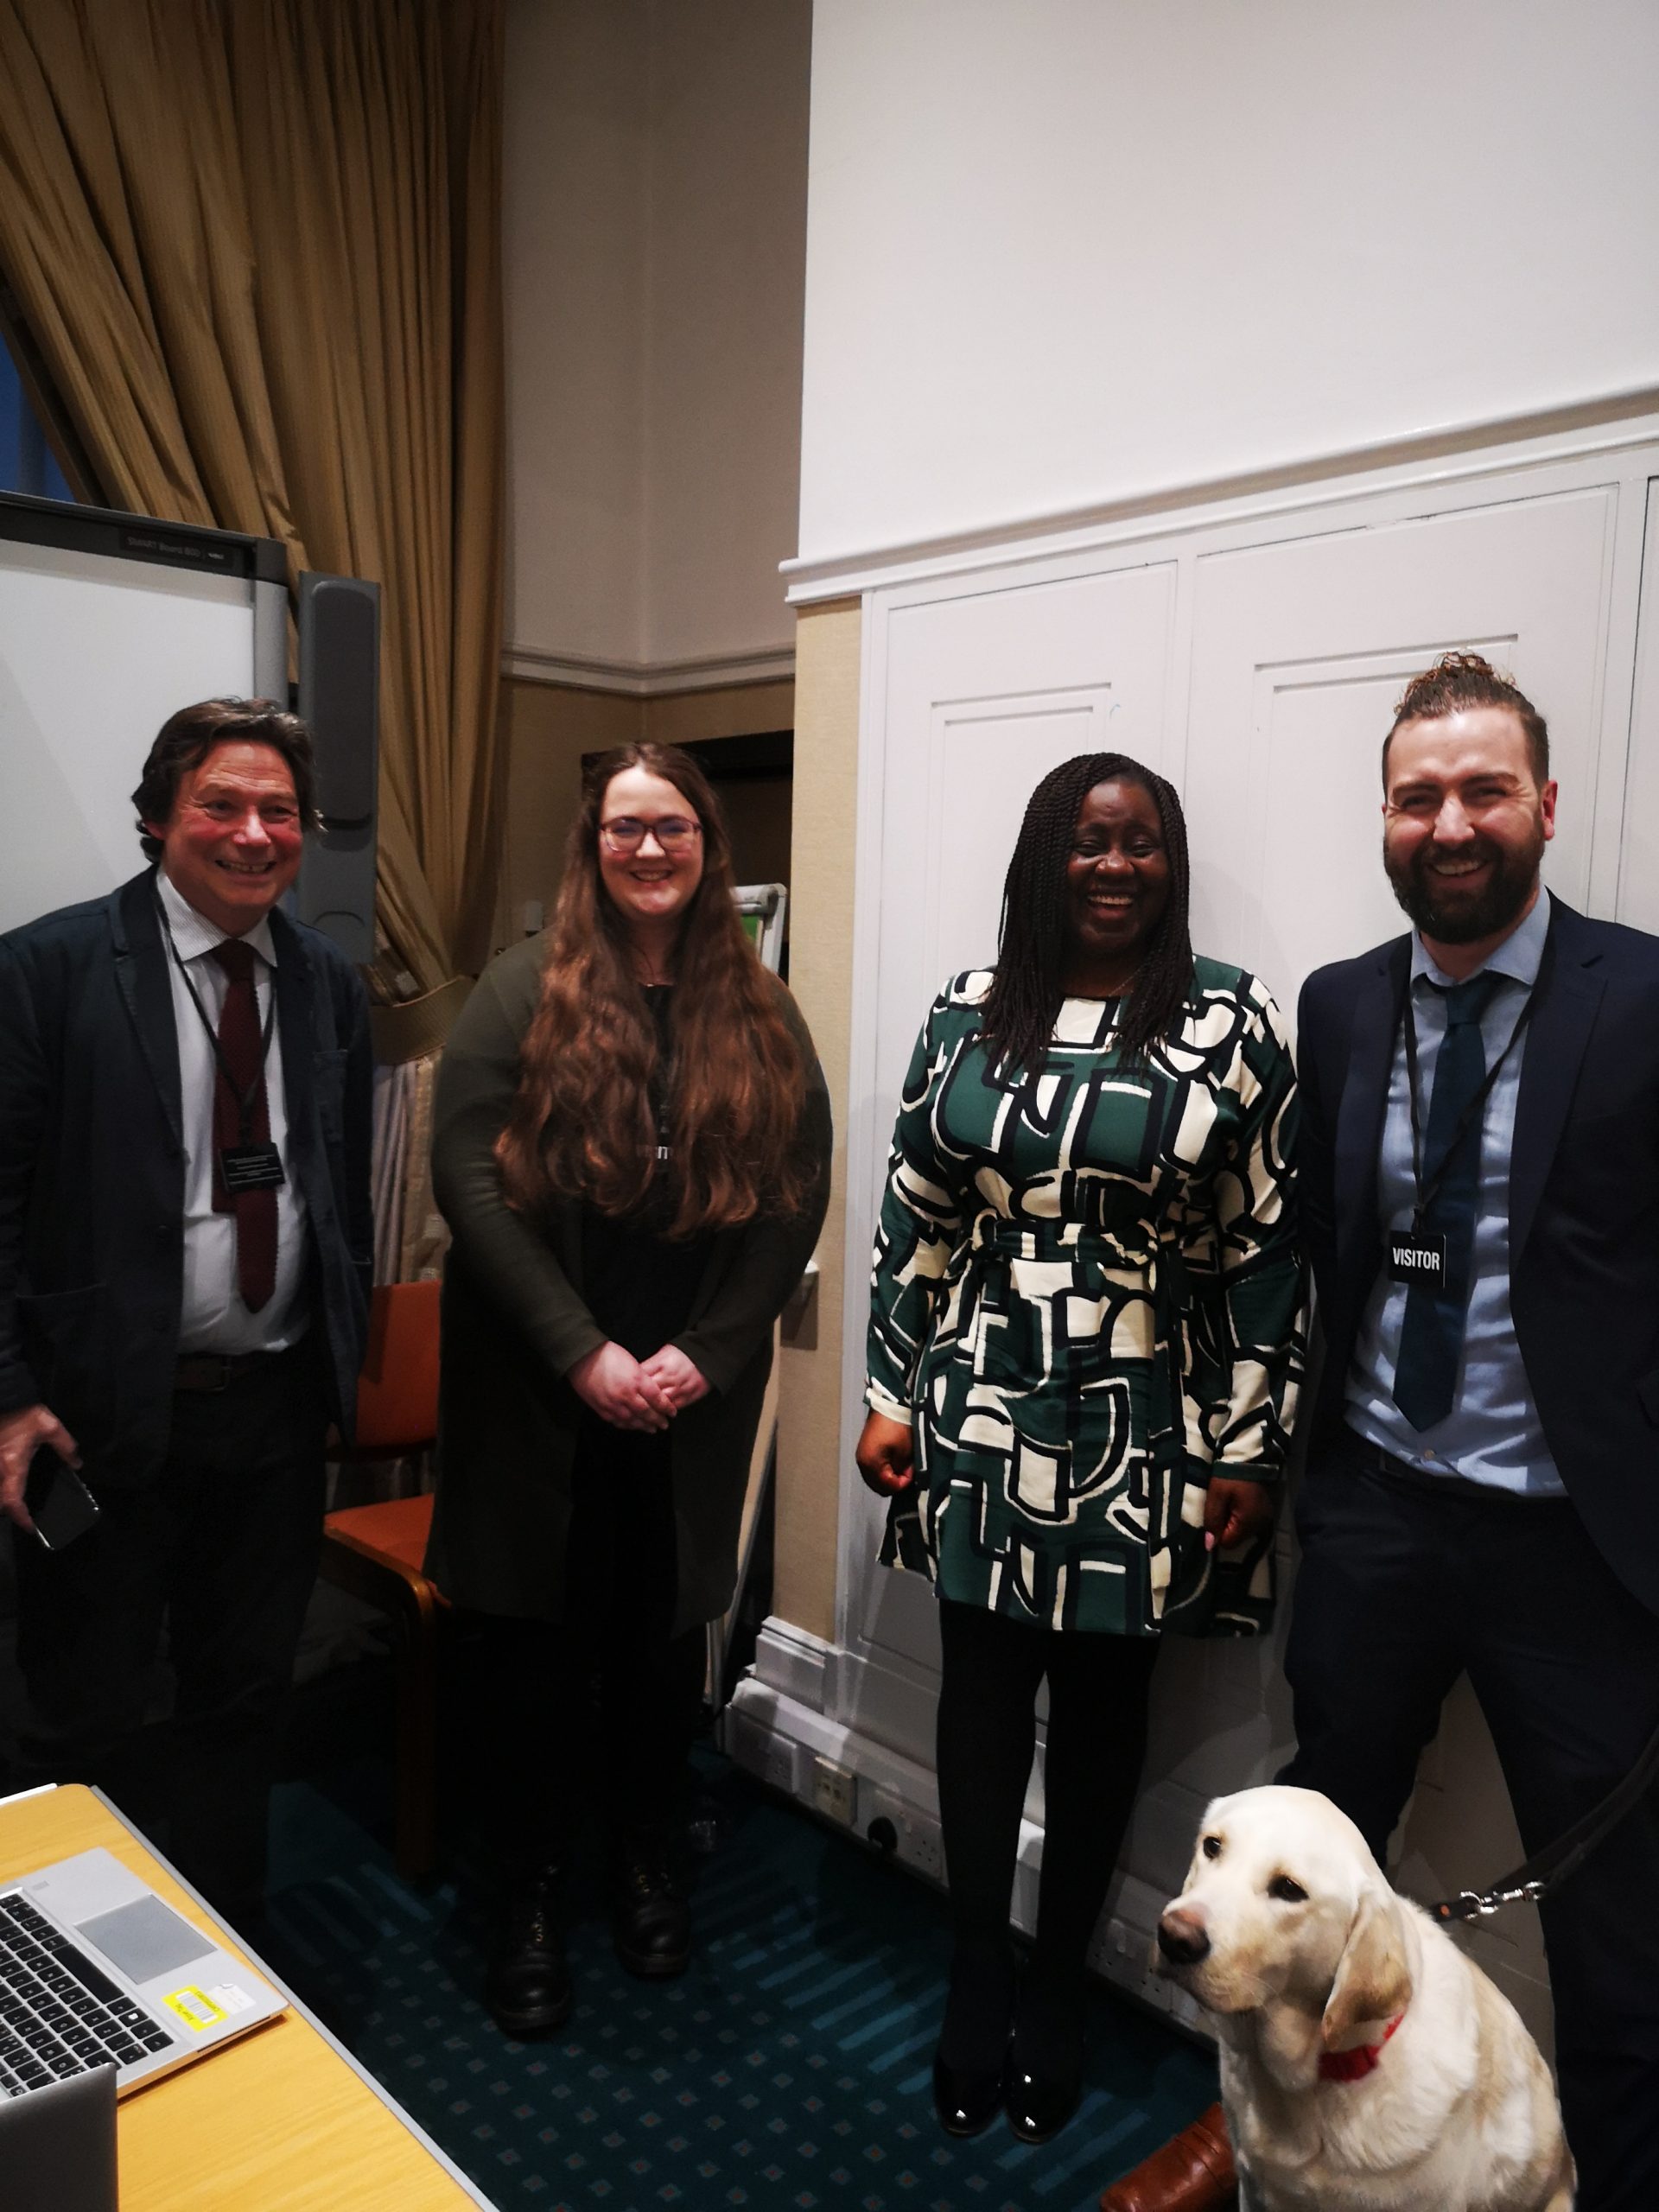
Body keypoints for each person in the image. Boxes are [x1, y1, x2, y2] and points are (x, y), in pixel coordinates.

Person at [1105, 652, 1659, 2212]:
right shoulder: (1343, 1007)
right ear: (1387, 820)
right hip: (1376, 1517)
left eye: (1484, 789)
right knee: (1299, 1877)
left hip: (1580, 1549)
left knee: (1620, 1938)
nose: (1451, 821)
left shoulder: (1643, 998)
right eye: (1419, 796)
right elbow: (1317, 1254)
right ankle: (1261, 2140)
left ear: (1546, 807)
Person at [854, 753, 1302, 2146]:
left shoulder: (1228, 1021)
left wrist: (1249, 1446)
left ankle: (1057, 1986)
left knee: (1108, 1714)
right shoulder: (967, 1014)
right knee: (981, 1702)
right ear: (1045, 860)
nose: (1114, 865)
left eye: (1142, 844)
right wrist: (886, 1387)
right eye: (1088, 842)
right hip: (978, 1400)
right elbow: (917, 1212)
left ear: (1169, 866)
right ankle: (975, 1976)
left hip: (1147, 1417)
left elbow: (1260, 1250)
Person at [425, 741, 830, 2037]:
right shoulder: (517, 988)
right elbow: (470, 1182)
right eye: (624, 829)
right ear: (591, 844)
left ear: (709, 850)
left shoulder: (759, 1005)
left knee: (659, 1649)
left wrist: (705, 1355)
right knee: (534, 1655)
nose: (649, 850)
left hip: (684, 1399)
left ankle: (646, 1859)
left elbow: (792, 1192)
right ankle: (530, 1897)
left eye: (674, 830)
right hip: (547, 1394)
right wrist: (580, 1352)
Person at [0, 698, 373, 1926]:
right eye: (222, 803)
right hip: (96, 1420)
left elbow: (337, 1179)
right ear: (159, 817)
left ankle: (223, 1953)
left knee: (239, 1701)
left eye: (279, 811)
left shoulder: (325, 981)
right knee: (81, 1709)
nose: (254, 832)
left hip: (268, 1415)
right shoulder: (46, 970)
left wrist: (340, 1373)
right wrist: (10, 1397)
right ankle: (68, 1979)